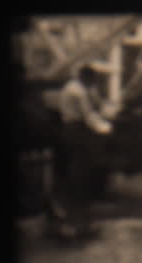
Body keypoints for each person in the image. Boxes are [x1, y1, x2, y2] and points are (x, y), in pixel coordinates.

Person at [48, 65, 113, 243]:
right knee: (81, 168)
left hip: (69, 129)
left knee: (75, 167)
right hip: (77, 129)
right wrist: (106, 127)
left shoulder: (72, 87)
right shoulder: (79, 92)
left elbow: (94, 105)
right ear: (87, 78)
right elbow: (89, 115)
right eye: (92, 81)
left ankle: (75, 210)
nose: (93, 84)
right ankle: (78, 214)